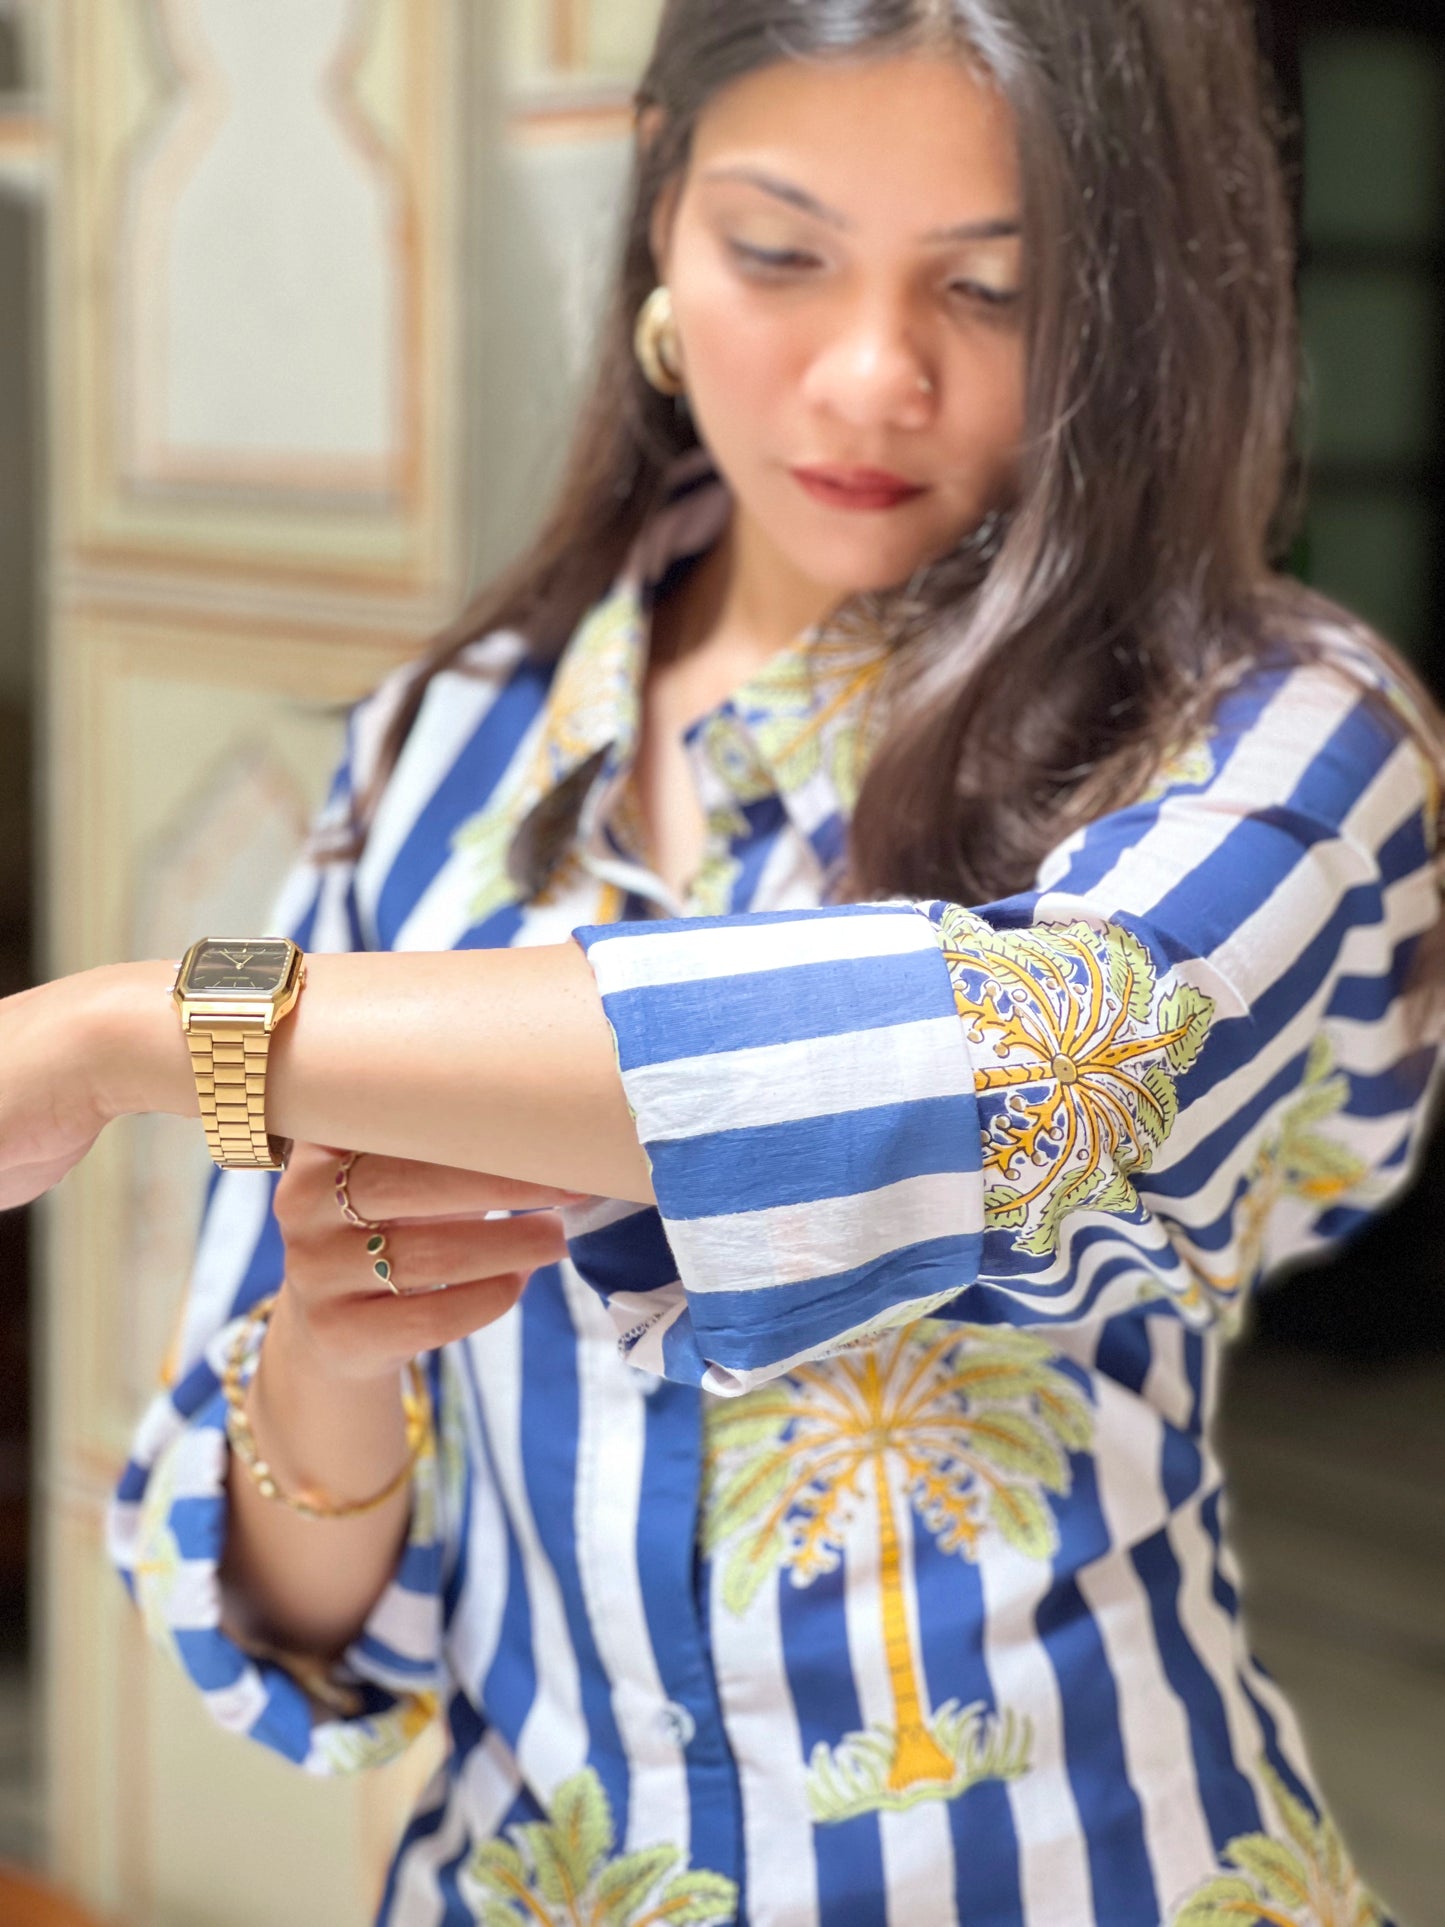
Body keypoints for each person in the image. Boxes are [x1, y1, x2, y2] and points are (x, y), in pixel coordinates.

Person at [4, 1, 1444, 1921]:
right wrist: (329, 1374)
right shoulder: (446, 748)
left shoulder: (1280, 737)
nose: (868, 378)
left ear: (1144, 316)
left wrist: (128, 1034)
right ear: (664, 237)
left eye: (997, 291)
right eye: (779, 253)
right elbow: (309, 1626)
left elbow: (1061, 1052)